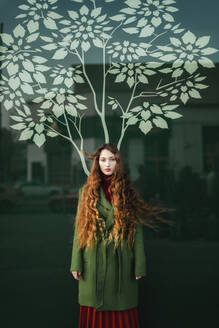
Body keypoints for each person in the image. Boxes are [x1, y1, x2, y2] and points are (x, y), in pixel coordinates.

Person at [70, 143, 168, 328]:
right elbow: (79, 229)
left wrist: (139, 264)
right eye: (103, 160)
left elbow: (137, 232)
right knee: (94, 307)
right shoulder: (86, 193)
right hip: (93, 258)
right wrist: (76, 262)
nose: (107, 164)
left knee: (122, 308)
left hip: (121, 260)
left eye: (112, 160)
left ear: (118, 162)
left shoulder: (128, 193)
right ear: (97, 163)